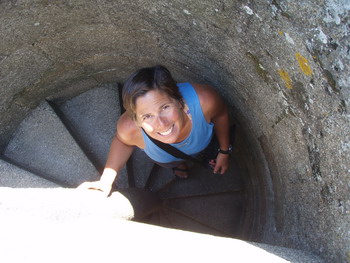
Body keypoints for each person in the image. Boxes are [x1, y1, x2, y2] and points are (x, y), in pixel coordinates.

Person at [79, 65, 232, 196]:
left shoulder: (205, 101)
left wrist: (224, 151)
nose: (161, 124)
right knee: (172, 161)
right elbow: (122, 141)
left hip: (201, 147)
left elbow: (221, 116)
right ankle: (178, 165)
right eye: (147, 116)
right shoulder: (129, 129)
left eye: (165, 107)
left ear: (179, 101)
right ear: (137, 121)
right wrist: (106, 182)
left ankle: (179, 164)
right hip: (167, 158)